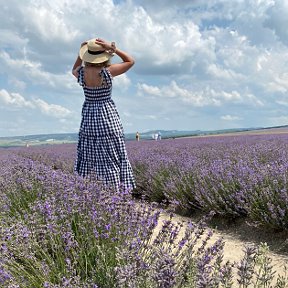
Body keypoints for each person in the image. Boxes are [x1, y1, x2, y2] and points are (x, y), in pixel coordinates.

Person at [72, 37, 136, 190]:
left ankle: (91, 190)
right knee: (111, 154)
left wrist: (80, 55)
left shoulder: (81, 72)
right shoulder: (107, 72)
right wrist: (114, 49)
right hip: (107, 116)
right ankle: (115, 191)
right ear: (103, 55)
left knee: (90, 155)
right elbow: (130, 61)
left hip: (89, 117)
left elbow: (73, 69)